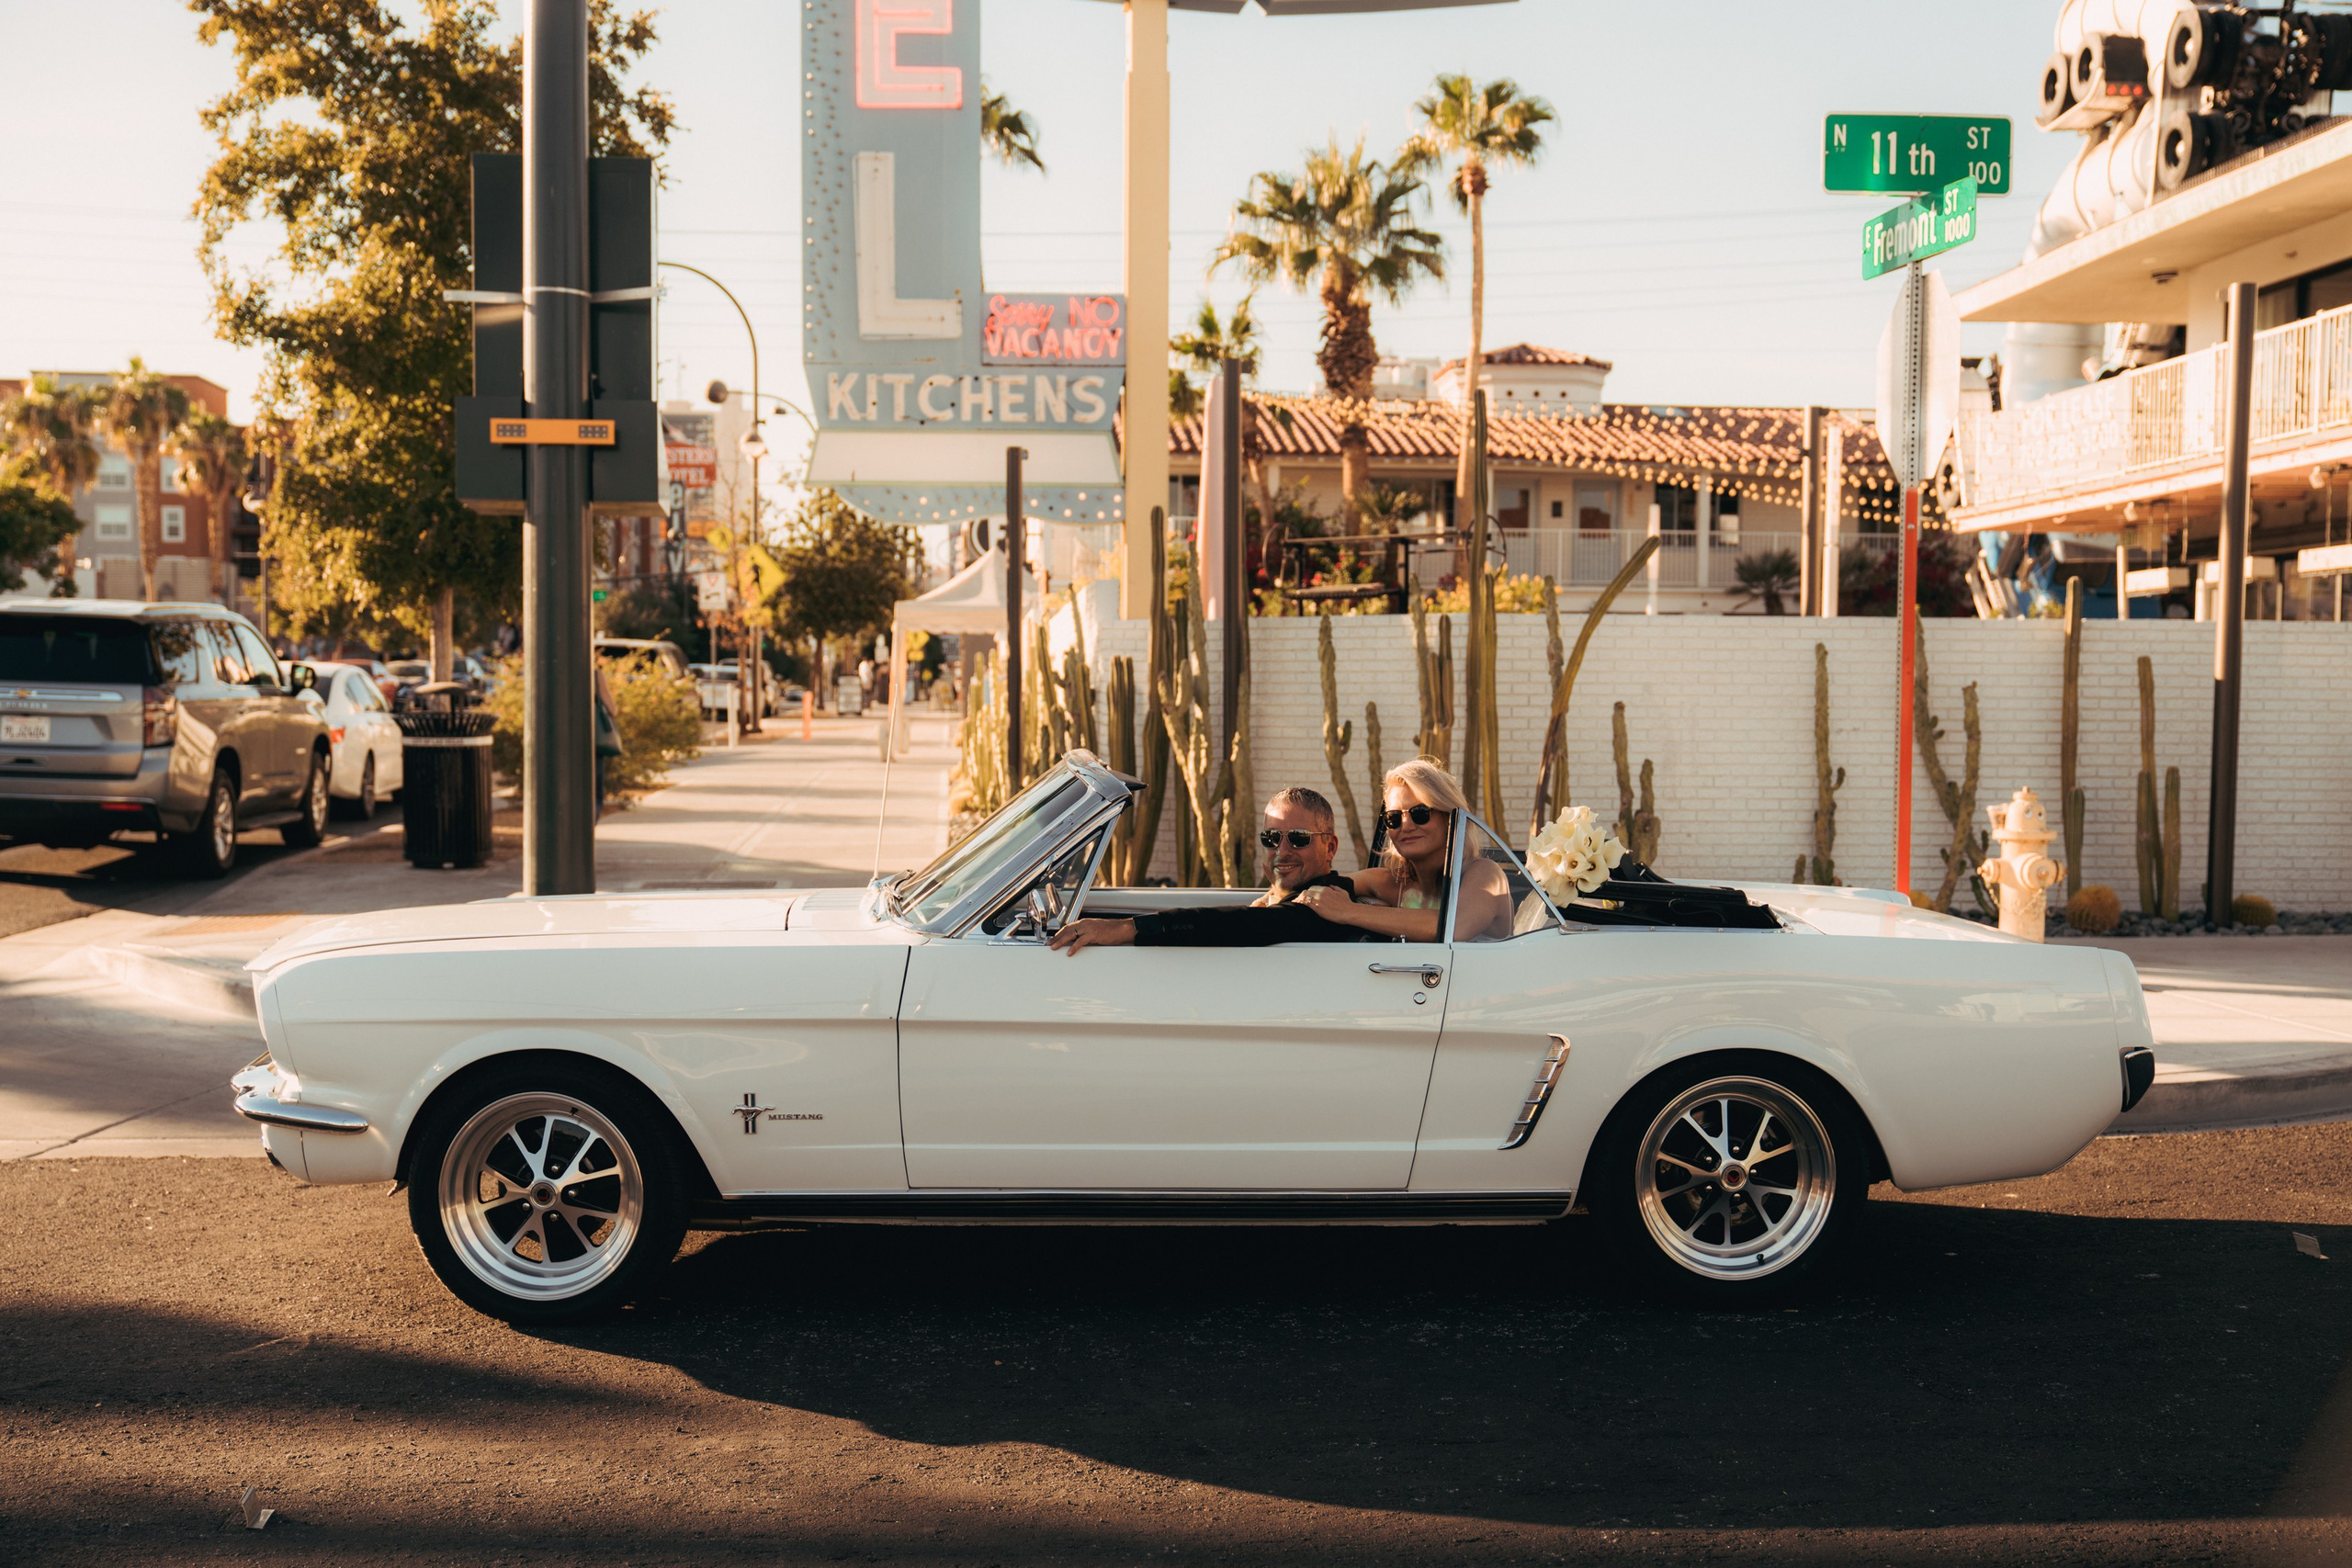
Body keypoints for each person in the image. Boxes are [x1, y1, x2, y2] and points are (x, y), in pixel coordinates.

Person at [1048, 786, 1375, 953]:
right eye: (1272, 837)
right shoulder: (1278, 899)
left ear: (1330, 847)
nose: (1282, 851)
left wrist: (1122, 929)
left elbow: (1240, 924)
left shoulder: (1328, 903)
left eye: (1299, 839)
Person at [1295, 758, 1515, 942]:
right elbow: (1318, 890)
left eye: (1420, 813)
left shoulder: (1485, 875)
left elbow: (1453, 928)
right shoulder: (1389, 883)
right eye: (1393, 818)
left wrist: (1348, 911)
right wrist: (1273, 899)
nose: (1407, 825)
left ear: (1449, 818)